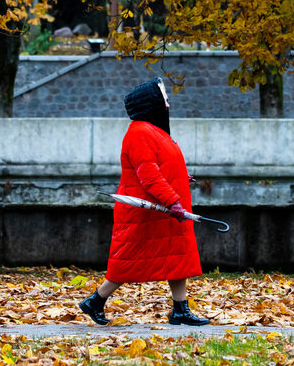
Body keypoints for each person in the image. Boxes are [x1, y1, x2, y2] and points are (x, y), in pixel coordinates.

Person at [79, 77, 210, 326]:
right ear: (151, 104)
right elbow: (148, 175)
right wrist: (173, 202)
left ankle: (180, 309)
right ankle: (95, 301)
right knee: (129, 259)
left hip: (165, 210)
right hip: (148, 212)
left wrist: (181, 176)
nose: (168, 105)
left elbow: (159, 166)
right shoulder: (140, 133)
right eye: (164, 99)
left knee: (177, 256)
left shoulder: (153, 132)